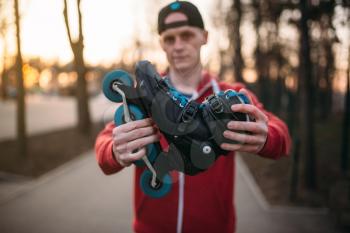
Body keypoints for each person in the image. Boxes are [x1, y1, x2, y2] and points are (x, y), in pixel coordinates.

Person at [95, 1, 291, 233]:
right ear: (162, 44)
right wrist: (115, 150)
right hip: (151, 226)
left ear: (204, 37)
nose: (178, 46)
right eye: (170, 38)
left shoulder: (230, 94)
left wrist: (267, 137)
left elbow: (281, 136)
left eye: (186, 35)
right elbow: (104, 144)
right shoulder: (144, 93)